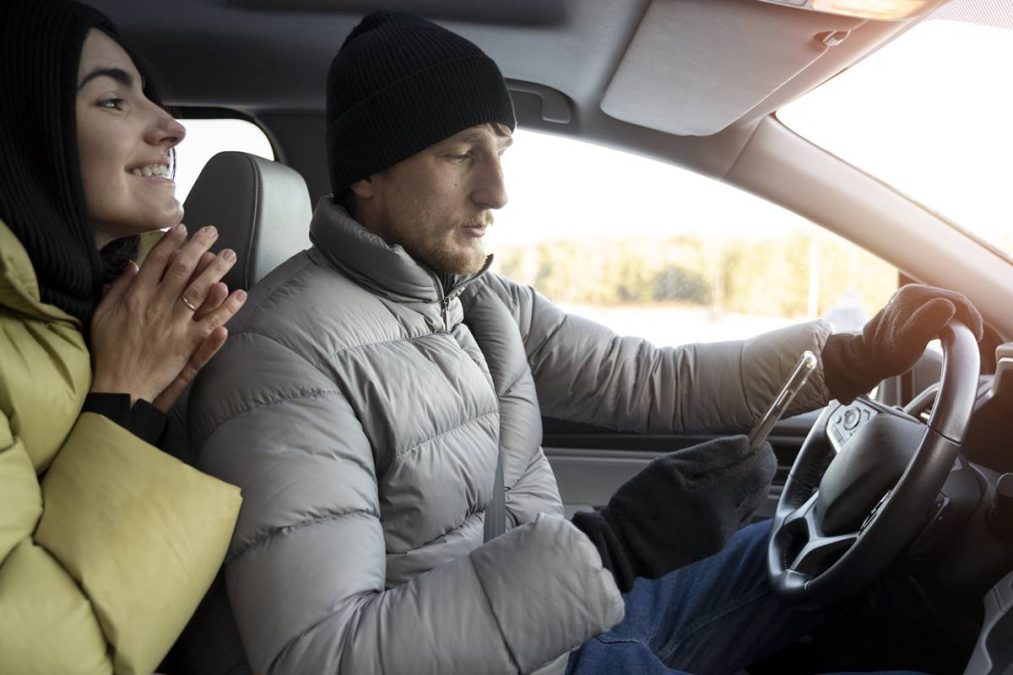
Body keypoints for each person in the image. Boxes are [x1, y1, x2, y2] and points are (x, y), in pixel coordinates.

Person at [187, 12, 983, 675]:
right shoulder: (282, 360)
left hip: (571, 628)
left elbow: (651, 378)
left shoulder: (476, 301)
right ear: (367, 172)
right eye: (460, 154)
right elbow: (325, 657)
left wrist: (849, 358)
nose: (498, 190)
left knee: (830, 569)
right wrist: (611, 547)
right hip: (535, 646)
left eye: (500, 150)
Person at [0, 1, 249, 672]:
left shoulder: (109, 309)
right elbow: (37, 655)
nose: (172, 126)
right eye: (112, 101)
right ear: (24, 135)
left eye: (148, 96)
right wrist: (122, 405)